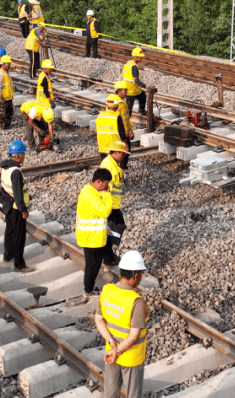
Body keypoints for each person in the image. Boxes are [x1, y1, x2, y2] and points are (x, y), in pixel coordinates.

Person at [95, 250, 150, 398]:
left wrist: (112, 343)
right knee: (133, 394)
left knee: (110, 393)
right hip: (131, 358)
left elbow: (99, 319)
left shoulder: (107, 290)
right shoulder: (136, 301)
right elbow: (133, 336)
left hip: (111, 351)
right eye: (140, 274)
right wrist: (118, 351)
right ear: (136, 276)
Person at [77, 168, 114, 296]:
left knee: (94, 263)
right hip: (91, 238)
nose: (107, 186)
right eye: (106, 183)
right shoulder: (90, 195)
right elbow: (104, 211)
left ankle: (90, 286)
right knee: (92, 265)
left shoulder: (90, 190)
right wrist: (108, 195)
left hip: (93, 235)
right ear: (99, 181)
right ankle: (88, 289)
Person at [0, 140, 34, 273]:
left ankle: (8, 255)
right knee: (19, 236)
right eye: (23, 154)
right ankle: (19, 264)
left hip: (8, 205)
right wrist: (23, 210)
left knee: (9, 231)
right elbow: (18, 193)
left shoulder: (6, 167)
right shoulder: (15, 172)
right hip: (16, 207)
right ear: (18, 156)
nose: (25, 156)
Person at [102, 141, 130, 267]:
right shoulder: (109, 165)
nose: (123, 156)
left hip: (113, 204)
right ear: (117, 152)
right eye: (122, 154)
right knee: (114, 229)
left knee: (115, 228)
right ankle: (108, 257)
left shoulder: (112, 163)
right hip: (110, 204)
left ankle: (109, 254)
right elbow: (104, 186)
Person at [122, 48, 147, 115]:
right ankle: (127, 120)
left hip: (129, 88)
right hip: (131, 91)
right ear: (136, 57)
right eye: (140, 57)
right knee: (129, 109)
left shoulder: (128, 63)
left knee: (143, 96)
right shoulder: (134, 67)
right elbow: (136, 80)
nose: (141, 59)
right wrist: (145, 86)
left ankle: (141, 110)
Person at [0, 55, 14, 129]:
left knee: (9, 111)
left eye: (9, 64)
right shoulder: (0, 73)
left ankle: (7, 125)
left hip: (8, 96)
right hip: (3, 96)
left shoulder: (7, 72)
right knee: (1, 113)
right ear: (3, 64)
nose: (9, 66)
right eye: (8, 64)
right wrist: (0, 94)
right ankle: (0, 125)